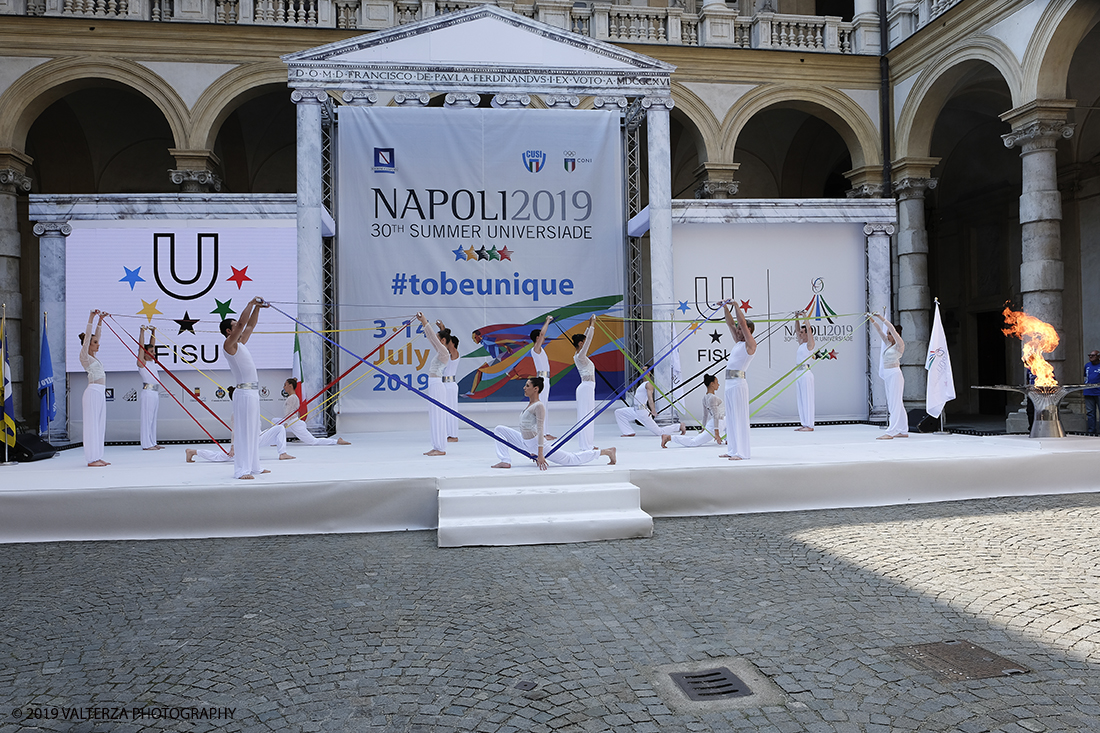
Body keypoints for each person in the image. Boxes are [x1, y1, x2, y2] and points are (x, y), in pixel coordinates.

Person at [491, 377, 616, 469]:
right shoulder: (530, 404)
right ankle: (505, 460)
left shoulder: (539, 406)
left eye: (527, 386)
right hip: (525, 442)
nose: (524, 388)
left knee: (571, 459)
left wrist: (540, 454)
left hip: (536, 444)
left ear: (536, 389)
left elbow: (540, 431)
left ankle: (606, 452)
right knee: (499, 429)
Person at [221, 296, 268, 479]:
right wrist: (249, 303)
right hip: (244, 393)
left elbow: (250, 326)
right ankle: (241, 470)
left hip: (253, 393)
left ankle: (254, 466)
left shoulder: (240, 344)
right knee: (244, 432)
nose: (239, 327)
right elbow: (242, 324)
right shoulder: (229, 345)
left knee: (254, 430)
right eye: (234, 326)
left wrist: (258, 308)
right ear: (228, 331)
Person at [719, 299, 756, 460]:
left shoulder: (750, 344)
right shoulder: (738, 343)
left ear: (748, 330)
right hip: (729, 384)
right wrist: (725, 307)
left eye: (741, 329)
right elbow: (730, 324)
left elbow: (740, 321)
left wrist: (735, 305)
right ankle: (733, 449)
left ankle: (742, 452)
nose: (738, 330)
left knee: (739, 418)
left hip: (739, 384)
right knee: (732, 418)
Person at [869, 311, 907, 439]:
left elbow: (891, 329)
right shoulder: (888, 344)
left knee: (894, 403)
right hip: (888, 375)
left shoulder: (899, 345)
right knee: (895, 403)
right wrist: (872, 319)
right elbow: (880, 331)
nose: (888, 335)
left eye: (890, 334)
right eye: (888, 334)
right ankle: (903, 430)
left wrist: (880, 317)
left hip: (895, 374)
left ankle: (891, 431)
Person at [79, 309, 110, 467]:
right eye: (95, 342)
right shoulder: (84, 356)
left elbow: (96, 334)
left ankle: (97, 456)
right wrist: (91, 317)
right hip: (92, 392)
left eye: (98, 342)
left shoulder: (95, 358)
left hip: (99, 392)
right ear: (88, 344)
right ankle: (91, 459)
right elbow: (89, 335)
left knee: (99, 424)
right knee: (92, 425)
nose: (98, 344)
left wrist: (101, 320)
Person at [615, 370, 684, 438]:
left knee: (659, 432)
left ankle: (678, 426)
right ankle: (628, 432)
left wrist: (653, 409)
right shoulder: (642, 384)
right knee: (619, 412)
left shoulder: (649, 384)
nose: (641, 371)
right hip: (635, 410)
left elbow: (650, 398)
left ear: (649, 372)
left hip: (642, 412)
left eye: (644, 370)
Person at [418, 312, 450, 456]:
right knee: (434, 415)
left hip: (437, 385)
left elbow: (433, 339)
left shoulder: (444, 351)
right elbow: (431, 339)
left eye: (438, 339)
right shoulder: (440, 351)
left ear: (443, 340)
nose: (435, 341)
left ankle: (441, 448)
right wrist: (423, 324)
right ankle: (436, 445)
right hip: (434, 385)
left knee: (438, 415)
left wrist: (425, 321)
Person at [663, 374, 724, 449]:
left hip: (717, 423)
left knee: (697, 439)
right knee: (694, 442)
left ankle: (670, 438)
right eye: (717, 382)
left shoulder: (705, 398)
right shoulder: (713, 398)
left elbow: (705, 415)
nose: (718, 384)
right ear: (712, 384)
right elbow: (715, 416)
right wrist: (716, 433)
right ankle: (669, 438)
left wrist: (703, 428)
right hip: (717, 423)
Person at [282, 378, 350, 446]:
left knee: (313, 441)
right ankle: (275, 442)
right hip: (291, 422)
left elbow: (289, 412)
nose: (284, 387)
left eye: (285, 385)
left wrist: (285, 422)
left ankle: (336, 441)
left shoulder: (292, 398)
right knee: (275, 423)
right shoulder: (293, 397)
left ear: (290, 386)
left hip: (293, 423)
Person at [572, 315, 597, 450]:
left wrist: (588, 325)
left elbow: (586, 339)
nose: (586, 343)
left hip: (586, 387)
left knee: (587, 415)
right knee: (586, 416)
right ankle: (587, 445)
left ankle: (587, 444)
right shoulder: (581, 356)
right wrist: (592, 324)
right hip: (586, 387)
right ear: (581, 343)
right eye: (584, 342)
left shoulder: (578, 355)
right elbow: (589, 340)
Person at [137, 324, 163, 450]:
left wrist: (153, 331)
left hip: (155, 393)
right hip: (147, 392)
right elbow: (141, 347)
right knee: (147, 419)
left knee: (153, 419)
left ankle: (152, 441)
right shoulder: (142, 363)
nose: (154, 353)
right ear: (145, 353)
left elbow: (152, 343)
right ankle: (146, 444)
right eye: (151, 351)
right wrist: (142, 332)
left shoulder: (152, 362)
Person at [529, 315, 556, 440]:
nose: (544, 337)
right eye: (541, 336)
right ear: (537, 338)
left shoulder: (540, 350)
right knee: (542, 406)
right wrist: (548, 321)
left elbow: (542, 335)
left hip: (546, 380)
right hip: (542, 380)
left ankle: (545, 432)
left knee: (545, 405)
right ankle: (543, 434)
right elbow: (543, 333)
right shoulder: (536, 349)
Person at [437, 319, 461, 443]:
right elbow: (444, 341)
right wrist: (443, 331)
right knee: (445, 409)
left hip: (450, 385)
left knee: (451, 409)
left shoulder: (455, 354)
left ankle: (453, 435)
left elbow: (449, 342)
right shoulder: (447, 355)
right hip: (444, 384)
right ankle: (447, 433)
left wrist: (443, 329)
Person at [794, 310, 816, 432]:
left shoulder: (810, 344)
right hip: (798, 373)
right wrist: (796, 317)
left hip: (806, 373)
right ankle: (804, 423)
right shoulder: (801, 344)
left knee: (807, 398)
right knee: (801, 398)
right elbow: (797, 330)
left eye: (803, 332)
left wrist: (805, 317)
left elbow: (808, 328)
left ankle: (810, 425)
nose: (800, 334)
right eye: (801, 333)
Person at [1085, 349, 1100, 435]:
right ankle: (1091, 431)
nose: (1090, 357)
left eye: (1093, 355)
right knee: (1090, 412)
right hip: (1088, 392)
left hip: (1098, 392)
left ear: (1098, 357)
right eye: (1089, 355)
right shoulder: (1087, 366)